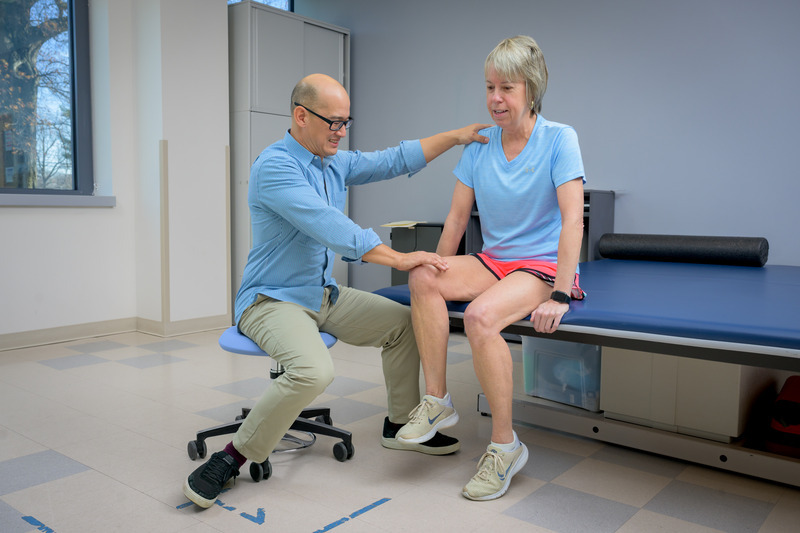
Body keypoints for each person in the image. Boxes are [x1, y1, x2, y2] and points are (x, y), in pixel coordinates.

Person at [182, 73, 490, 509]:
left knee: (405, 324)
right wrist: (401, 259)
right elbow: (331, 227)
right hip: (271, 300)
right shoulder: (275, 166)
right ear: (301, 116)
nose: (341, 132)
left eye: (346, 122)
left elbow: (395, 159)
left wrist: (457, 137)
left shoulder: (332, 162)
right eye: (334, 122)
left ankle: (400, 423)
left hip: (320, 295)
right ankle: (231, 457)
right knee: (315, 370)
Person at [395, 36, 587, 501]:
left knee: (481, 317)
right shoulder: (480, 145)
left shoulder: (560, 139)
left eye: (507, 88)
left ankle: (505, 446)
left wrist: (560, 293)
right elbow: (458, 219)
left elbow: (572, 222)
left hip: (539, 266)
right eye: (489, 87)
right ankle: (437, 401)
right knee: (421, 274)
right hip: (493, 260)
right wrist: (438, 264)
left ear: (532, 89)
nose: (496, 99)